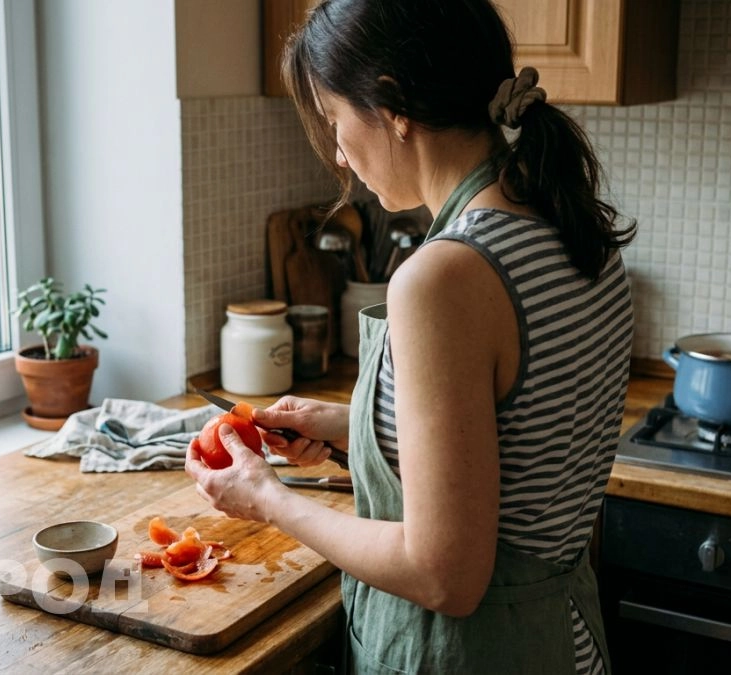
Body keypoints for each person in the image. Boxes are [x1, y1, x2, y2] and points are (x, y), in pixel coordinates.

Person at [186, 0, 635, 671]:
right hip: (560, 641)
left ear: (393, 106)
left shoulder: (444, 277)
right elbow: (522, 441)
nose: (338, 152)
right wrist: (353, 426)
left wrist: (268, 500)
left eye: (337, 121)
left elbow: (444, 575)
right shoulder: (572, 231)